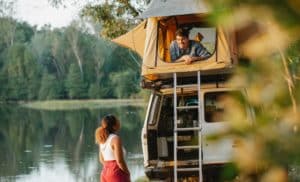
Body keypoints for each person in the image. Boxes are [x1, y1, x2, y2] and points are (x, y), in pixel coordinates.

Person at [95, 114, 130, 182]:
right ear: (114, 126)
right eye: (117, 121)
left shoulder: (102, 139)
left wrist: (109, 168)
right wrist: (127, 172)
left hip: (105, 172)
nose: (119, 122)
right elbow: (119, 161)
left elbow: (101, 159)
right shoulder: (115, 139)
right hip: (116, 173)